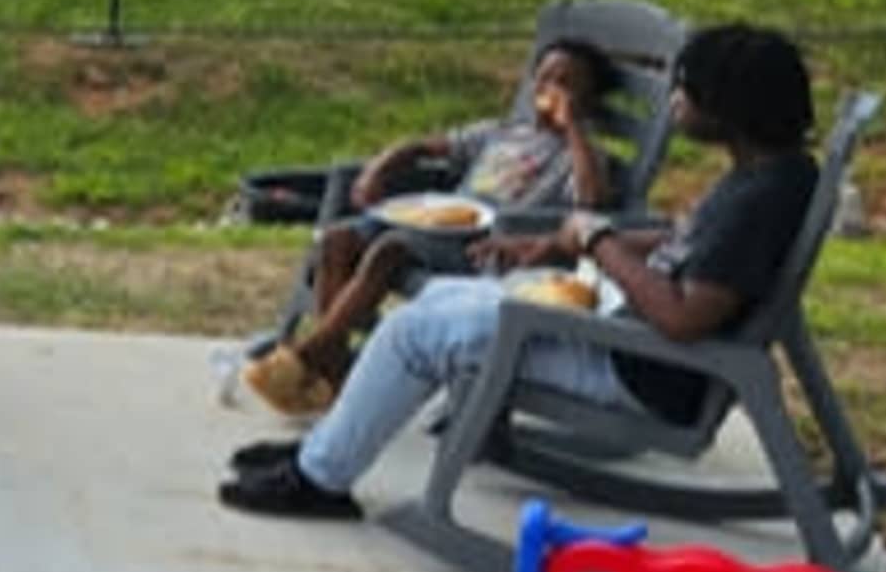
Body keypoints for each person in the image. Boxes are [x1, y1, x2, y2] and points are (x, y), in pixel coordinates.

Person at [219, 24, 822, 522]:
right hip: (627, 345)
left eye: (686, 91)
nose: (676, 102)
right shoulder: (769, 177)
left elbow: (683, 316)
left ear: (730, 106)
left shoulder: (756, 200)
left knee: (414, 334)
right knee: (443, 300)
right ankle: (324, 451)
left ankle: (319, 477)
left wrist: (598, 237)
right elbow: (680, 243)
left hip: (634, 368)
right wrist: (562, 240)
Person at [242, 40, 619, 418]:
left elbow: (592, 200)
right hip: (439, 224)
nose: (551, 87)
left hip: (487, 246)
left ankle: (310, 356)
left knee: (387, 252)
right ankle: (333, 365)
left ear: (586, 100)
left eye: (567, 83)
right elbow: (426, 145)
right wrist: (381, 167)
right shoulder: (503, 131)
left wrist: (572, 128)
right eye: (545, 77)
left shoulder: (580, 154)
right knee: (336, 241)